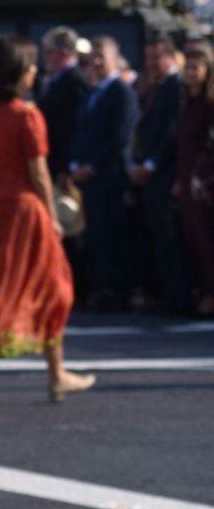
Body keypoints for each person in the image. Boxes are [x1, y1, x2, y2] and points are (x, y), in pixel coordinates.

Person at [0, 35, 95, 410]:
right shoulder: (27, 115)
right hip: (24, 210)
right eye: (31, 66)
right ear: (18, 72)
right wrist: (52, 216)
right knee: (55, 288)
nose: (35, 72)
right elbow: (40, 174)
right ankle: (56, 374)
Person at [70, 35, 140, 311]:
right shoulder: (91, 93)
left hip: (110, 177)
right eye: (92, 58)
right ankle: (101, 287)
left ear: (115, 59)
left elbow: (120, 138)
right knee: (96, 236)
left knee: (113, 236)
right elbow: (80, 134)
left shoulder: (122, 93)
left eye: (102, 57)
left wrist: (93, 166)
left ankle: (116, 291)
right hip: (88, 178)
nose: (96, 63)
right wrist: (75, 163)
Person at [130, 35, 188, 314]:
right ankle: (168, 293)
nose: (151, 63)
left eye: (157, 57)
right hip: (151, 173)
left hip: (164, 173)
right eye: (149, 57)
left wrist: (152, 164)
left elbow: (171, 133)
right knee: (158, 239)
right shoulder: (157, 87)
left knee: (171, 238)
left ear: (171, 56)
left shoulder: (175, 87)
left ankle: (179, 295)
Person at [38, 26, 91, 299]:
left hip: (64, 167)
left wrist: (66, 167)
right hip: (54, 163)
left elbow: (74, 129)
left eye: (49, 52)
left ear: (62, 53)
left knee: (71, 228)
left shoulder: (74, 81)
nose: (45, 57)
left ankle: (75, 288)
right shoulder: (57, 80)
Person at [174, 43, 214, 316]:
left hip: (204, 182)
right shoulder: (185, 101)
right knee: (193, 239)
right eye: (187, 66)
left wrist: (203, 176)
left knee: (207, 239)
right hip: (186, 178)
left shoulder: (209, 105)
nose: (190, 72)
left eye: (195, 67)